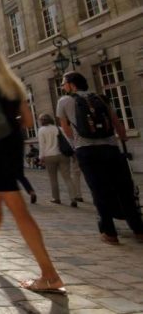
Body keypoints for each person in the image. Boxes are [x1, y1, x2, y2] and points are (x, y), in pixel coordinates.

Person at [0, 47, 64, 294]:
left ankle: (49, 275)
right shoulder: (14, 84)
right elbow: (28, 121)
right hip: (12, 145)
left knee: (19, 211)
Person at [57, 71, 143, 245]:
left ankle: (109, 233)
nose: (63, 87)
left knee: (99, 190)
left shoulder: (64, 101)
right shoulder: (100, 98)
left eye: (63, 83)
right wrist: (122, 136)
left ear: (71, 84)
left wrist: (75, 144)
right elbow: (116, 121)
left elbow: (64, 127)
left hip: (86, 150)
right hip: (110, 148)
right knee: (124, 189)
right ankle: (139, 229)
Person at [37, 113, 76, 207]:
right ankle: (73, 198)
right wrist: (72, 153)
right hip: (62, 155)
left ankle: (56, 198)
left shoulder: (41, 130)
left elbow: (42, 145)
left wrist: (41, 158)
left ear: (41, 121)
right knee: (68, 178)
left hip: (49, 156)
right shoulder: (59, 128)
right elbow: (67, 141)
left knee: (53, 179)